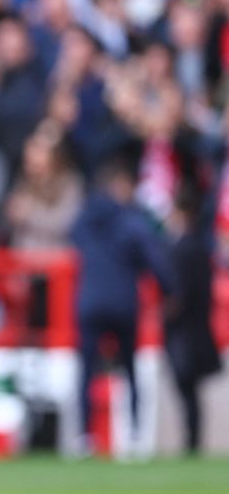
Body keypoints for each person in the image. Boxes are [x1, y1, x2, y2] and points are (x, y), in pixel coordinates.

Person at [70, 159, 174, 457]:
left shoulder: (86, 219)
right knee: (129, 370)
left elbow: (72, 238)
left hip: (88, 302)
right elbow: (155, 260)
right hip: (123, 303)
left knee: (86, 371)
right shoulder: (131, 221)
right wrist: (169, 290)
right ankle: (135, 436)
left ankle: (84, 437)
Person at [162, 187, 221, 455]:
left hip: (185, 331)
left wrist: (166, 312)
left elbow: (179, 291)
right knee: (189, 391)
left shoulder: (184, 248)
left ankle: (192, 442)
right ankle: (192, 440)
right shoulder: (200, 246)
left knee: (186, 387)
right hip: (196, 327)